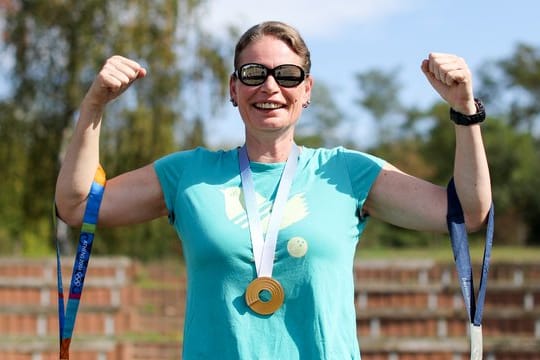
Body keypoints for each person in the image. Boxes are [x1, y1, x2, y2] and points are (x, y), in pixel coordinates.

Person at [55, 21, 491, 359]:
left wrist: (465, 112)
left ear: (307, 90)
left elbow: (468, 212)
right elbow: (76, 206)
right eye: (253, 73)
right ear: (233, 89)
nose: (269, 86)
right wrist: (93, 106)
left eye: (286, 74)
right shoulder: (188, 173)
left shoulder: (347, 172)